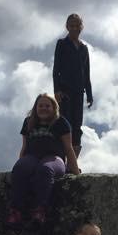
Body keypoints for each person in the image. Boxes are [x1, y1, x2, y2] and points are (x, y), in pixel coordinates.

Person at [7, 93, 80, 228]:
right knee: (20, 168)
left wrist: (76, 173)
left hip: (54, 158)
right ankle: (16, 211)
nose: (44, 108)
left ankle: (40, 210)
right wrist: (20, 166)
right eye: (40, 105)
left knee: (45, 169)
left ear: (54, 108)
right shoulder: (28, 122)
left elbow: (68, 148)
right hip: (32, 157)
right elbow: (24, 146)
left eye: (47, 106)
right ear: (35, 108)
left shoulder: (61, 122)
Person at [52, 14, 93, 157]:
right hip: (64, 91)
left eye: (77, 26)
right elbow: (56, 70)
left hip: (79, 92)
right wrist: (56, 91)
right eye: (72, 25)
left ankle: (73, 162)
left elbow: (86, 73)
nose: (75, 28)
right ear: (67, 27)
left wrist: (89, 94)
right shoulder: (61, 44)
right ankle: (61, 159)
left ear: (81, 27)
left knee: (77, 126)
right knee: (65, 124)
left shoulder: (84, 48)